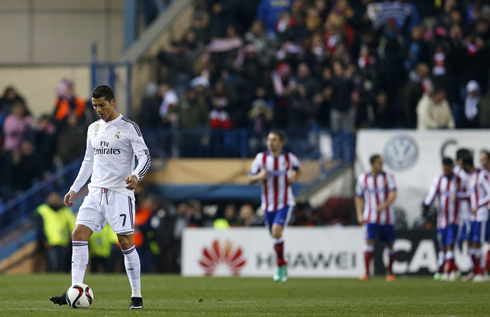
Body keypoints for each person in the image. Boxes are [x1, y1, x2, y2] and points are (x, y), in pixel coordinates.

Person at [50, 85, 151, 309]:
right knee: (78, 234)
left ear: (113, 102)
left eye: (102, 105)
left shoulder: (128, 127)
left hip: (119, 193)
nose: (99, 110)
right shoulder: (93, 128)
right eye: (95, 106)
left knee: (125, 241)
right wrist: (74, 189)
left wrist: (136, 175)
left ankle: (136, 296)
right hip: (95, 192)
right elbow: (88, 161)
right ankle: (75, 290)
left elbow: (145, 157)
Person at [248, 130, 302, 283]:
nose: (270, 142)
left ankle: (279, 265)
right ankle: (282, 262)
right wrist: (260, 176)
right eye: (268, 139)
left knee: (276, 232)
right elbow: (250, 177)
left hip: (284, 203)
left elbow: (299, 171)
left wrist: (293, 177)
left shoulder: (289, 158)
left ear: (281, 143)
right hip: (267, 205)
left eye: (274, 139)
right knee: (274, 236)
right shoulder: (261, 158)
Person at [355, 154, 397, 281]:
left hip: (387, 218)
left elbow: (394, 194)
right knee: (368, 242)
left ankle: (389, 272)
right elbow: (358, 197)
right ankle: (367, 272)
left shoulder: (387, 177)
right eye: (379, 162)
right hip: (370, 217)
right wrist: (359, 215)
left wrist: (384, 205)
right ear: (372, 164)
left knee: (389, 244)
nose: (381, 165)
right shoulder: (363, 178)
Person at [422, 158, 465, 281]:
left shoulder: (459, 181)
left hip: (455, 219)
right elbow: (432, 194)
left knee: (450, 244)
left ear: (452, 166)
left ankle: (449, 271)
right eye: (445, 167)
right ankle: (450, 269)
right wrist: (426, 206)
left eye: (449, 166)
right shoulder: (439, 180)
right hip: (442, 220)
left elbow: (467, 195)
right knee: (443, 245)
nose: (447, 169)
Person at [462, 155, 490, 282]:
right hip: (472, 216)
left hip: (481, 214)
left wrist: (479, 205)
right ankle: (475, 271)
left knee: (479, 243)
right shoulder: (470, 177)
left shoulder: (482, 175)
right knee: (471, 243)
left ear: (466, 165)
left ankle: (481, 272)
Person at [37, 192, 75, 272]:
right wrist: (44, 240)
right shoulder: (43, 210)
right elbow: (40, 227)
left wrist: (70, 241)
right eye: (53, 199)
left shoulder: (64, 211)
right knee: (53, 266)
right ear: (47, 200)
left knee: (63, 266)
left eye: (56, 199)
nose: (55, 201)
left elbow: (71, 225)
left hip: (64, 243)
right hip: (51, 243)